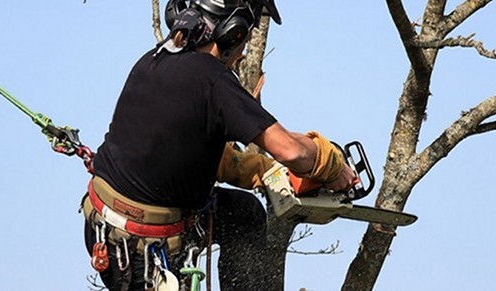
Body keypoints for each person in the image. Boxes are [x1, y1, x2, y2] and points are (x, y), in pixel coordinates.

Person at [80, 0, 356, 290]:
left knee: (243, 213)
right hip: (141, 251)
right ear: (232, 33)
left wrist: (262, 170)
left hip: (104, 227)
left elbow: (182, 143)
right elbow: (292, 149)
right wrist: (332, 166)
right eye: (245, 37)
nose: (244, 50)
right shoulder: (214, 80)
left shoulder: (154, 58)